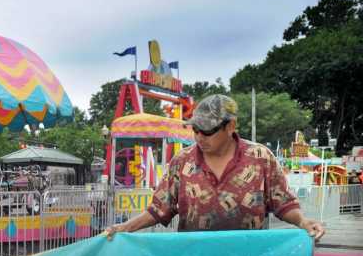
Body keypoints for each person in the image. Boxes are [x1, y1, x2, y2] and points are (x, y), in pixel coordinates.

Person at [105, 94, 325, 239]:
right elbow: (157, 209)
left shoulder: (260, 158)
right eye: (195, 130)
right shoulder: (182, 162)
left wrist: (303, 222)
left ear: (230, 126)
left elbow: (284, 203)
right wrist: (123, 228)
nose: (199, 137)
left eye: (207, 130)